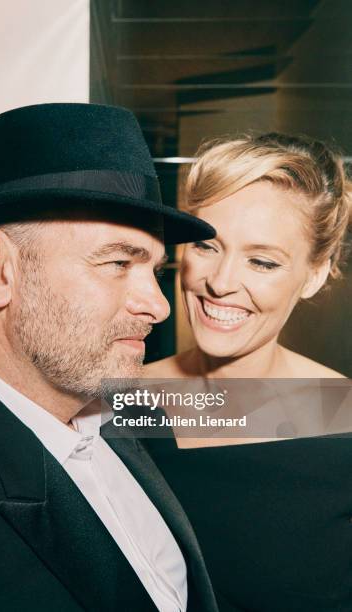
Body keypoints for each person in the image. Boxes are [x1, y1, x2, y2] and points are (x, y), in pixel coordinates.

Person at [0, 103, 219, 612]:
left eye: (154, 271)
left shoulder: (128, 411)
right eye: (116, 262)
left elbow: (277, 410)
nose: (158, 306)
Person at [143, 133, 352, 611]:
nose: (220, 282)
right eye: (206, 245)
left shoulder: (342, 417)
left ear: (316, 273)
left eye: (262, 261)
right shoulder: (121, 402)